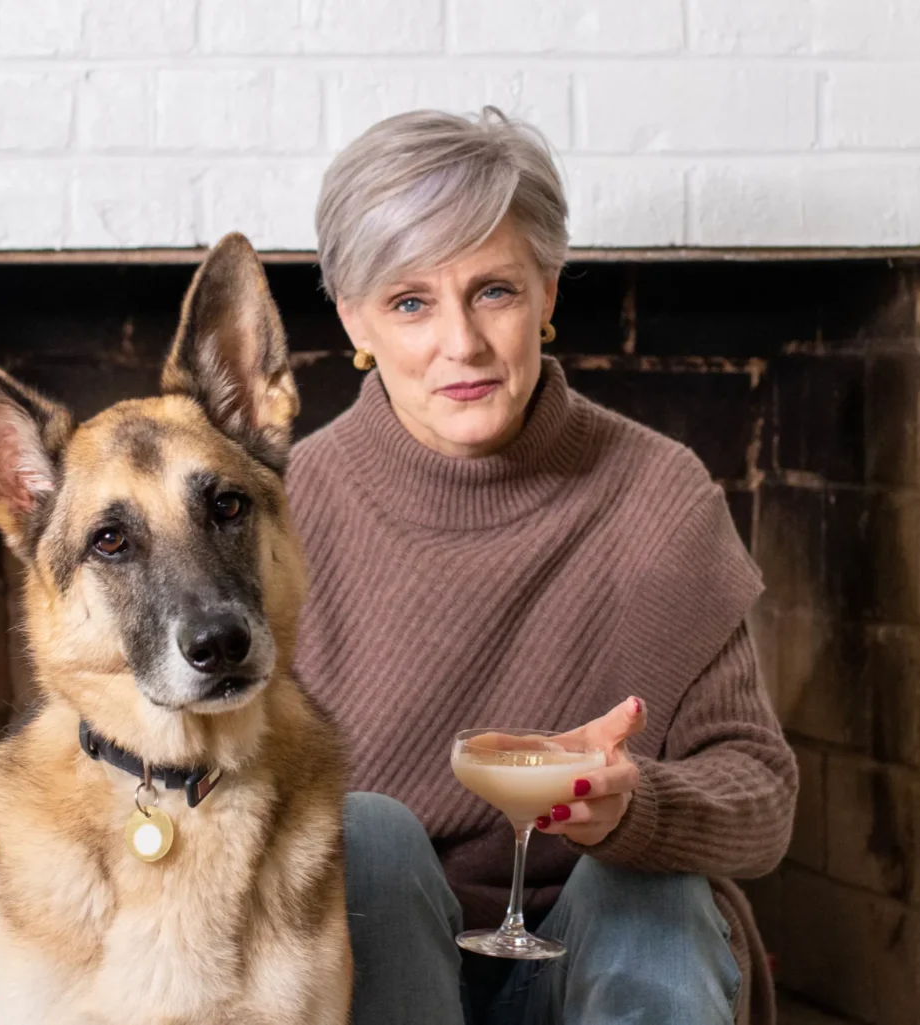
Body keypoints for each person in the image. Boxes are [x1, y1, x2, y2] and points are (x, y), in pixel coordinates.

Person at [285, 106, 798, 1025]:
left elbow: (759, 795)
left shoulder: (655, 492)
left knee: (649, 887)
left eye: (494, 291)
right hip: (382, 969)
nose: (462, 345)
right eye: (410, 302)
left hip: (600, 965)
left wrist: (635, 806)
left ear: (549, 293)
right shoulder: (285, 509)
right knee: (363, 833)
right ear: (353, 316)